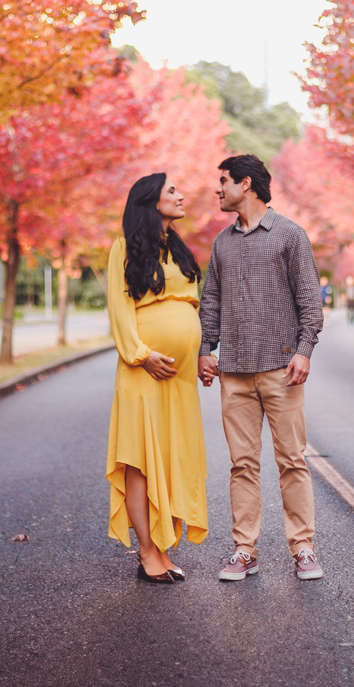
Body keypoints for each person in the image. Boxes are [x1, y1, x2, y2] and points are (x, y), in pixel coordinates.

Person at [197, 154, 326, 581]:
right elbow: (210, 300)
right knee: (242, 465)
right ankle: (244, 551)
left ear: (246, 184)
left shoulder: (289, 236)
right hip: (233, 373)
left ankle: (303, 547)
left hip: (281, 369)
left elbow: (310, 300)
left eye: (223, 182)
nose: (217, 190)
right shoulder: (221, 243)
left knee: (291, 460)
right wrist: (205, 349)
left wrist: (304, 350)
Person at [106, 173, 208, 585]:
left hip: (179, 378)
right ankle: (147, 552)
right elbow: (119, 308)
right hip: (143, 372)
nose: (182, 195)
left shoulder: (177, 249)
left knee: (170, 459)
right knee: (141, 462)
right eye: (172, 191)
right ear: (150, 201)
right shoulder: (123, 249)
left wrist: (200, 352)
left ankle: (163, 549)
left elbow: (194, 307)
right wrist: (142, 355)